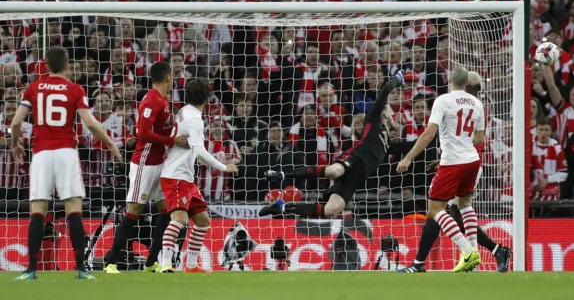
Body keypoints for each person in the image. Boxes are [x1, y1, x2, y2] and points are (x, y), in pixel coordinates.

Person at [12, 47, 123, 280]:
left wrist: (15, 144)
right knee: (73, 208)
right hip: (66, 152)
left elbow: (15, 123)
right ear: (67, 66)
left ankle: (31, 270)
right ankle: (81, 269)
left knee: (38, 210)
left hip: (41, 153)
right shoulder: (75, 89)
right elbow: (90, 123)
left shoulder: (33, 89)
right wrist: (111, 144)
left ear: (47, 67)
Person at [398, 71, 511, 273]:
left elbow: (428, 134)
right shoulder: (477, 104)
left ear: (449, 81)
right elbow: (478, 139)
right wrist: (459, 143)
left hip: (453, 162)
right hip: (472, 161)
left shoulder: (443, 100)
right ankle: (485, 251)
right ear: (467, 83)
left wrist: (408, 158)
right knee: (462, 206)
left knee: (435, 210)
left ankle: (468, 251)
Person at [259, 73, 404, 218]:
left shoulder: (387, 144)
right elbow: (385, 91)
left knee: (330, 210)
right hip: (354, 159)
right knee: (334, 171)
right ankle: (282, 174)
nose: (391, 115)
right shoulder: (373, 121)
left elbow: (410, 145)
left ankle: (282, 207)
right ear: (384, 115)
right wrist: (397, 80)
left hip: (355, 179)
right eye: (388, 113)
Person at [103, 62, 189, 274]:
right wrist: (173, 140)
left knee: (165, 210)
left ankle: (151, 262)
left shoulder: (163, 100)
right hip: (145, 163)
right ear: (168, 77)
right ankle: (110, 261)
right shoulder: (153, 99)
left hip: (160, 162)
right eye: (172, 77)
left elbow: (144, 128)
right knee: (134, 211)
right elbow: (143, 134)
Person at [158, 78, 238, 273]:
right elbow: (200, 151)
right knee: (179, 219)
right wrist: (223, 166)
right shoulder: (194, 119)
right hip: (176, 175)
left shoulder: (184, 111)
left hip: (185, 175)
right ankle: (165, 263)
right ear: (208, 97)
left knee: (202, 220)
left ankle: (192, 265)